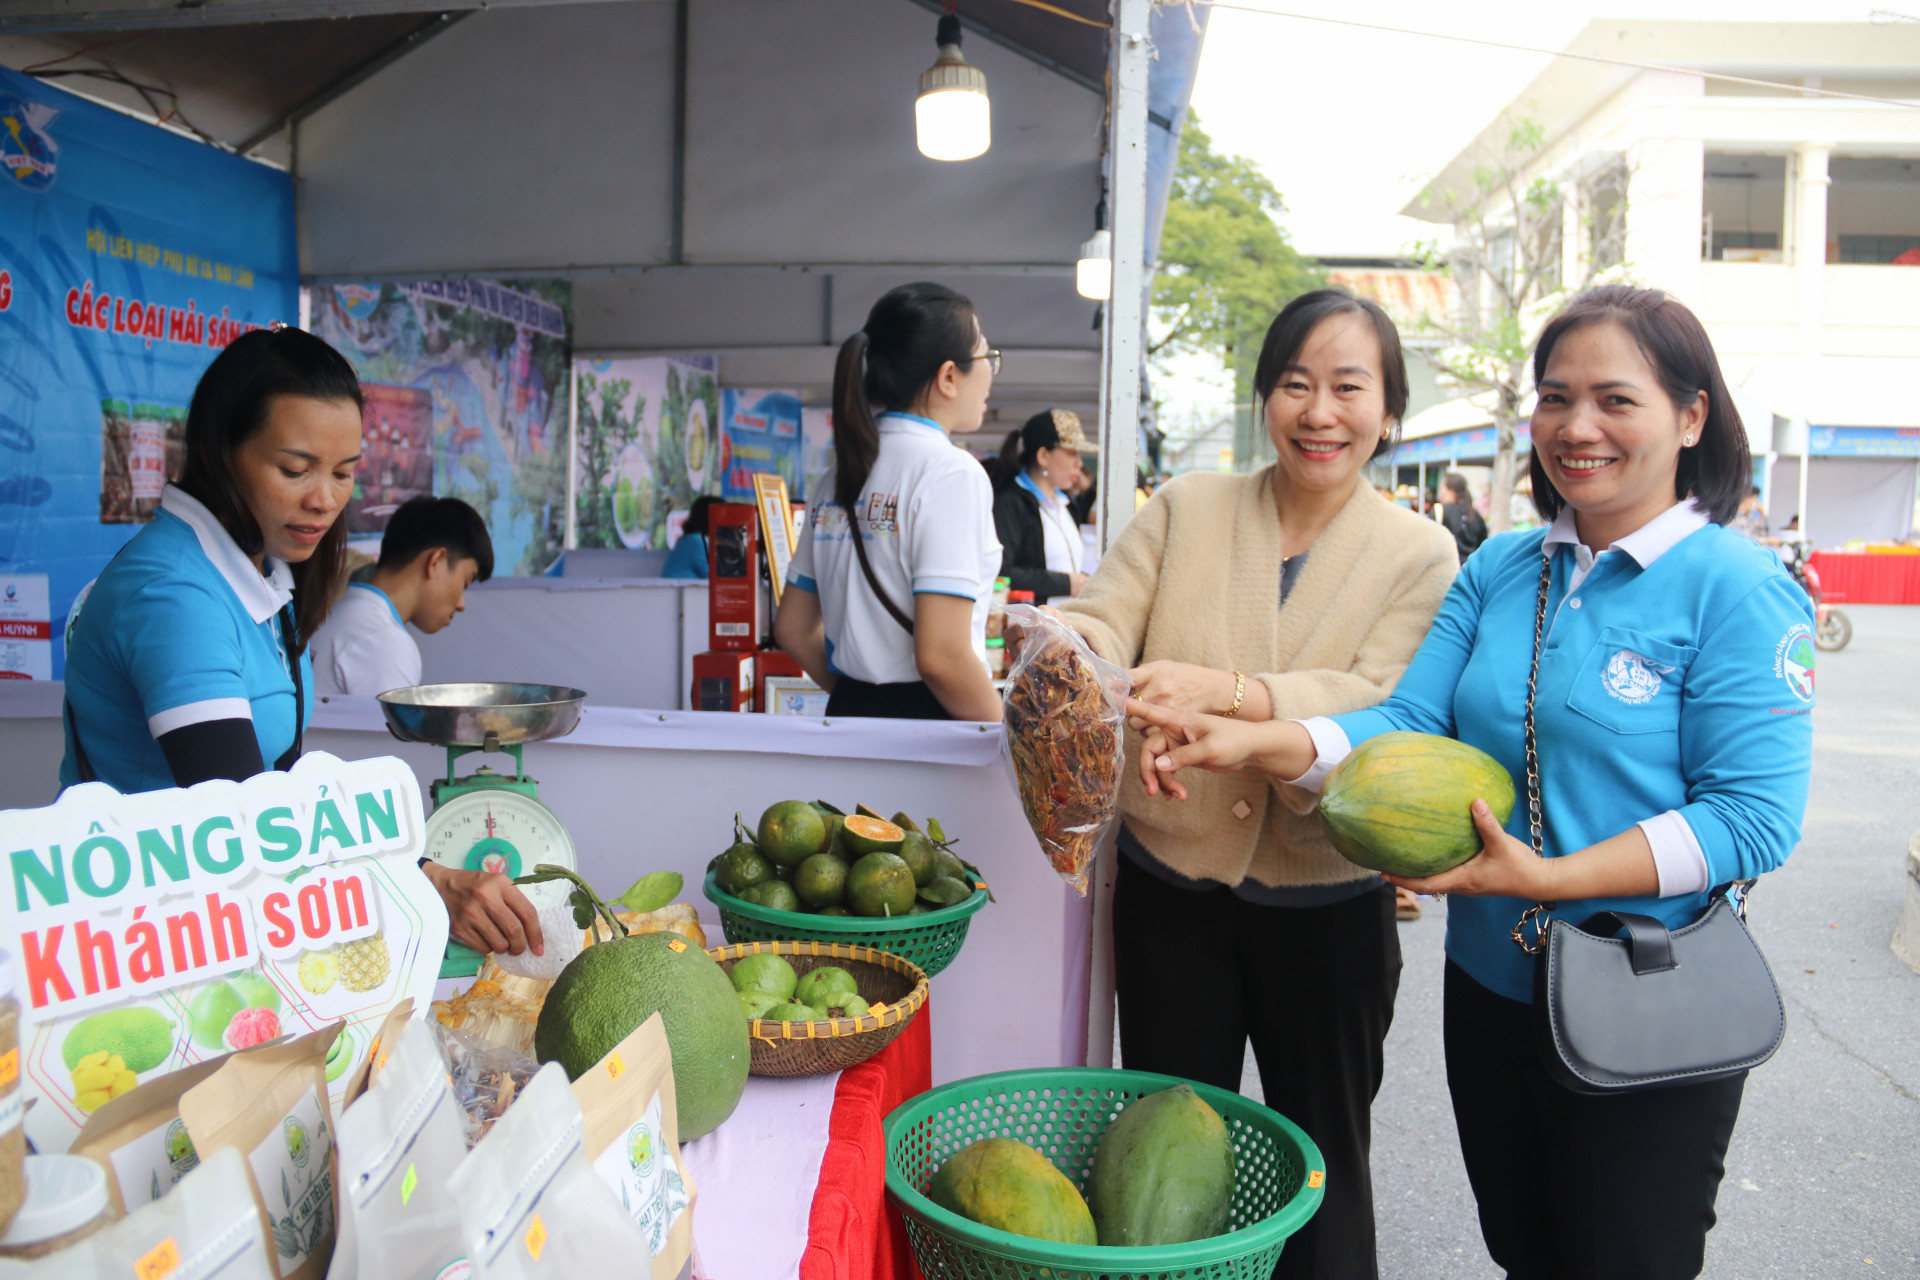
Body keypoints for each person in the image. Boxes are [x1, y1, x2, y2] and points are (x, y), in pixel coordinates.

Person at [1128, 285, 1812, 1280]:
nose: (1577, 428)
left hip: (1642, 987)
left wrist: (1553, 877)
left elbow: (1751, 819)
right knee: (1523, 1242)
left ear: (1691, 414)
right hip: (1492, 981)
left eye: (1615, 400)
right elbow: (1405, 722)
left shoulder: (1740, 589)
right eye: (1555, 397)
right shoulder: (1503, 567)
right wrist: (1253, 739)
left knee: (1621, 1255)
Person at [1056, 288, 1459, 1280]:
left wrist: (1236, 696)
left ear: (1388, 406)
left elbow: (1382, 697)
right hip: (1169, 893)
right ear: (1264, 399)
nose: (1321, 411)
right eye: (1296, 384)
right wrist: (1079, 658)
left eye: (1348, 386)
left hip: (1328, 906)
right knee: (1160, 1166)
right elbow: (1107, 618)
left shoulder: (1421, 551)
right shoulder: (1188, 506)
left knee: (1321, 1162)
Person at [60, 328, 546, 962]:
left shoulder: (261, 573)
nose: (324, 499)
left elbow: (280, 779)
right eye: (295, 469)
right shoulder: (175, 594)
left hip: (218, 923)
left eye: (344, 473)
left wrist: (419, 862)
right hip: (141, 943)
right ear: (219, 453)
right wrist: (426, 883)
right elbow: (239, 824)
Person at [773, 282, 1002, 721]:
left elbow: (793, 629)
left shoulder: (835, 478)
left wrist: (863, 697)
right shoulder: (951, 474)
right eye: (986, 357)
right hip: (932, 728)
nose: (991, 372)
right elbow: (942, 657)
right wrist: (1006, 742)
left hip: (849, 714)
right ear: (949, 376)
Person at [311, 495, 493, 696]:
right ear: (436, 561)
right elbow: (390, 728)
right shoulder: (384, 642)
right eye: (465, 583)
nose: (461, 604)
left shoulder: (344, 612)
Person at [990, 408, 1095, 602]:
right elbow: (1001, 571)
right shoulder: (1010, 503)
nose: (1079, 464)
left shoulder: (1067, 504)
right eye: (1072, 453)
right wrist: (1065, 583)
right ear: (1043, 456)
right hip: (1033, 628)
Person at [663, 495, 718, 578]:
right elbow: (712, 575)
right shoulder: (696, 541)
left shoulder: (690, 539)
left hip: (681, 589)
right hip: (680, 590)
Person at [1439, 471, 1489, 564]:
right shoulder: (1476, 516)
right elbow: (1483, 545)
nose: (1441, 492)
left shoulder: (1440, 512)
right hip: (1472, 567)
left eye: (1442, 488)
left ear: (1450, 491)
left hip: (1449, 567)